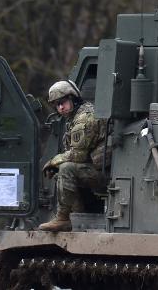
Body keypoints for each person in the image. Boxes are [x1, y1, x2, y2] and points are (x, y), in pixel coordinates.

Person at [38, 80, 107, 232]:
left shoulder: (85, 118)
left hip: (106, 175)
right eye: (57, 105)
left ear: (73, 99)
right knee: (61, 170)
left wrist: (54, 161)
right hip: (95, 170)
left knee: (66, 169)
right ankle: (77, 214)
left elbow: (78, 156)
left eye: (63, 102)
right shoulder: (73, 119)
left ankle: (63, 218)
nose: (60, 107)